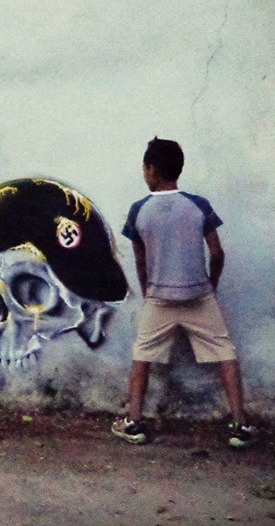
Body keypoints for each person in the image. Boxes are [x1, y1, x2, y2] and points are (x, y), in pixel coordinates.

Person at [111, 138, 257, 448]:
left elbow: (140, 260)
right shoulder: (199, 205)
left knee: (142, 354)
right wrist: (211, 285)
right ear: (178, 169)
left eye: (145, 168)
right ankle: (240, 425)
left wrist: (148, 291)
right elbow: (217, 253)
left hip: (159, 296)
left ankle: (134, 422)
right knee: (225, 351)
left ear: (152, 170)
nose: (144, 173)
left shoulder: (139, 210)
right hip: (198, 295)